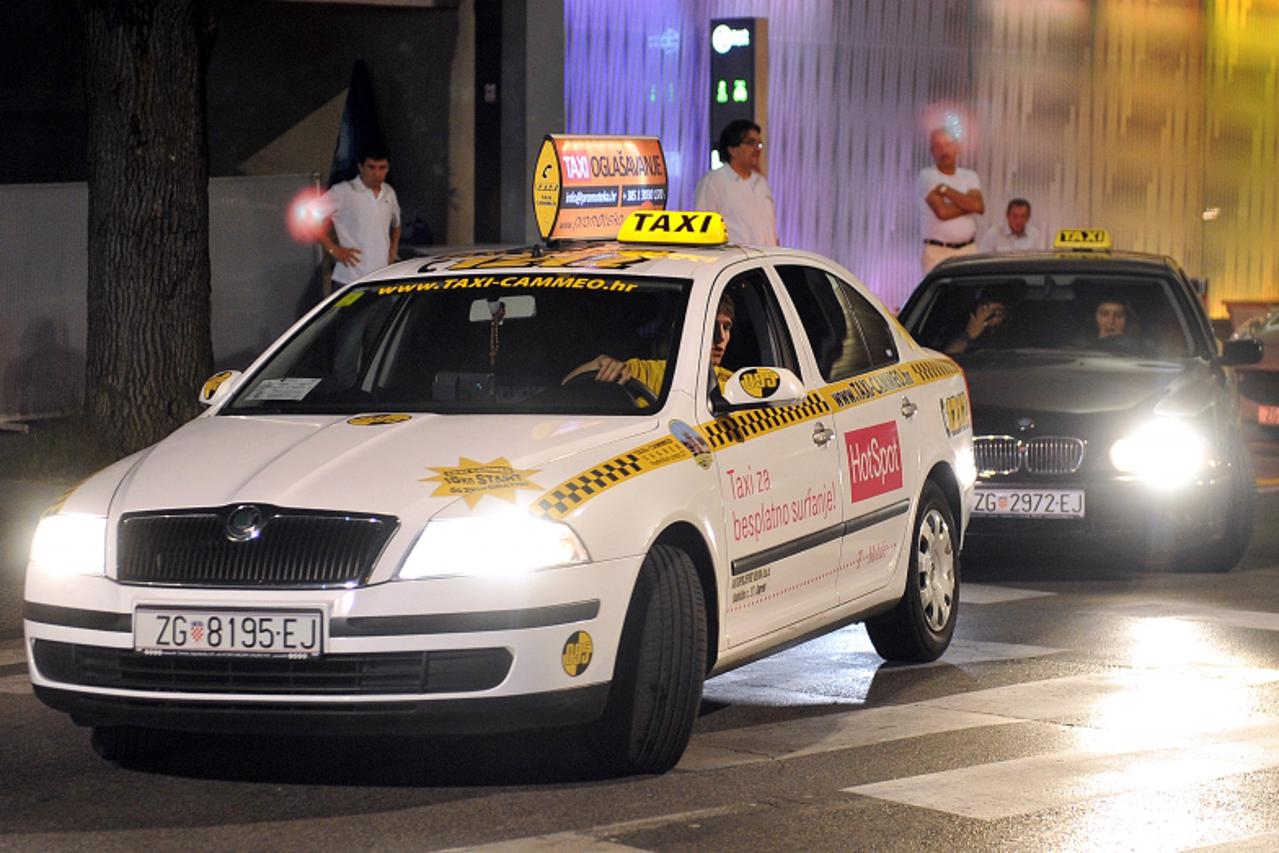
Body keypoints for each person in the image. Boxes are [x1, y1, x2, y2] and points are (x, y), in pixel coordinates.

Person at [563, 294, 736, 402]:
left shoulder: (735, 383)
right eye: (710, 327)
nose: (720, 337)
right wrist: (598, 364)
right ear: (683, 329)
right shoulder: (647, 371)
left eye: (726, 327)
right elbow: (564, 390)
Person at [317, 146, 402, 286]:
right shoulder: (343, 191)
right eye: (371, 167)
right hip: (349, 279)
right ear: (361, 167)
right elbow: (309, 216)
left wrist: (393, 249)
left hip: (381, 277)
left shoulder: (389, 193)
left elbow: (396, 224)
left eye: (382, 168)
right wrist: (333, 249)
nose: (377, 173)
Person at [693, 121, 778, 246]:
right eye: (750, 143)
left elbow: (771, 230)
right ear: (732, 149)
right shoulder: (713, 181)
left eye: (759, 144)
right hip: (737, 263)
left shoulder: (761, 182)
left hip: (766, 260)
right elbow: (703, 231)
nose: (757, 149)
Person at [919, 127, 985, 274]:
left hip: (969, 250)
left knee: (971, 295)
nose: (944, 150)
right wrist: (968, 205)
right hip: (937, 253)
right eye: (938, 146)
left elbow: (979, 206)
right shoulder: (927, 176)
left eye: (948, 145)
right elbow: (942, 212)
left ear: (957, 148)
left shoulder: (970, 176)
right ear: (931, 150)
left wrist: (945, 190)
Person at [944, 289, 1012, 355]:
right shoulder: (953, 330)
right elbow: (943, 363)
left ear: (1006, 319)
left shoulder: (1010, 342)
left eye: (997, 314)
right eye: (984, 310)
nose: (988, 316)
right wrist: (968, 335)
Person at [977, 198, 1044, 253]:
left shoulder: (1035, 235)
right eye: (1015, 216)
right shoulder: (992, 235)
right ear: (1007, 215)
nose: (1019, 220)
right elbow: (981, 263)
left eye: (1023, 216)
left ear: (1028, 217)